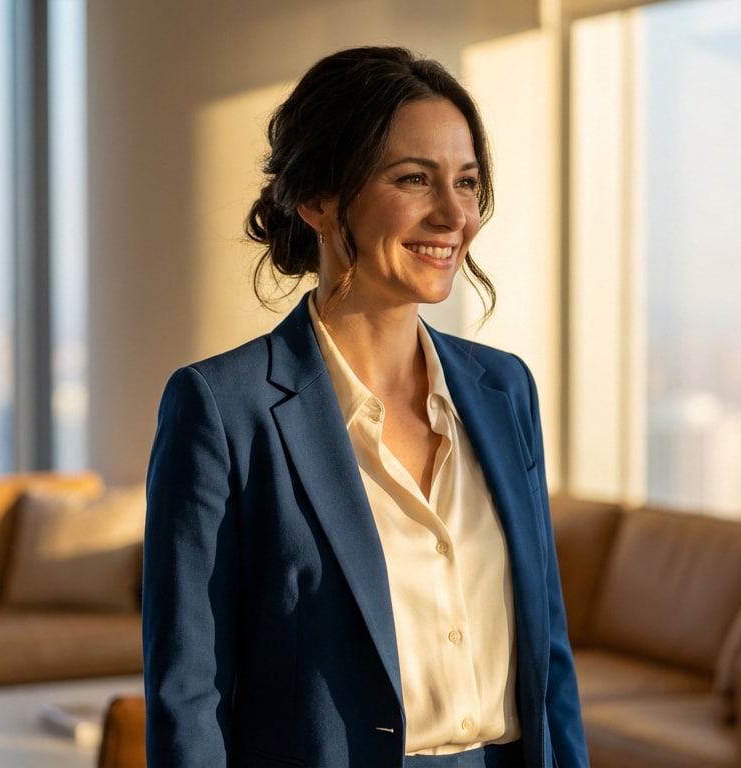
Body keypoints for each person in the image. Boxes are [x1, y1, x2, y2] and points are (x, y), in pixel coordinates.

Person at [143, 46, 588, 768]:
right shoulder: (223, 411)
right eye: (414, 179)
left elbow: (550, 660)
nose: (455, 215)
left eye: (467, 182)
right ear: (318, 199)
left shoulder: (506, 391)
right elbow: (189, 695)